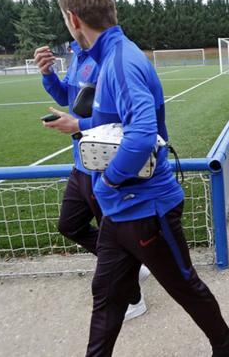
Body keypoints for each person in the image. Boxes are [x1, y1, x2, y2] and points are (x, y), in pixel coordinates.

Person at [54, 0, 229, 357]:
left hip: (147, 210)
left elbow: (141, 135)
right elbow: (116, 123)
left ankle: (226, 350)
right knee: (106, 298)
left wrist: (105, 183)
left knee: (184, 286)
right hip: (119, 212)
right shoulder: (106, 58)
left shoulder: (121, 61)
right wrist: (81, 126)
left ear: (73, 19)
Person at [34, 43, 150, 322]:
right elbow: (68, 98)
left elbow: (123, 118)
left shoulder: (110, 59)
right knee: (69, 225)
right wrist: (48, 74)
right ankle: (133, 262)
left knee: (113, 236)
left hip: (102, 163)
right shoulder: (79, 57)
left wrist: (79, 125)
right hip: (80, 161)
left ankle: (134, 299)